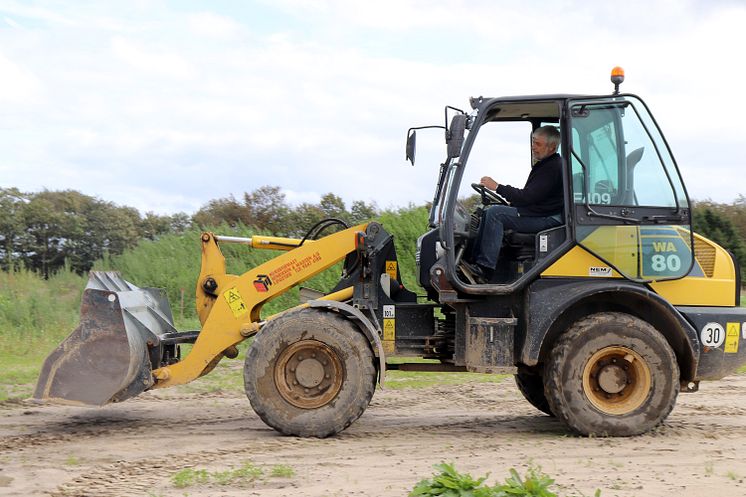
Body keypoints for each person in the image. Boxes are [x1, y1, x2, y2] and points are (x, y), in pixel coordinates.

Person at [465, 125, 564, 282]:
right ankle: (473, 261)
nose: (533, 147)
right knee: (489, 212)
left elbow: (528, 196)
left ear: (551, 147)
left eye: (538, 144)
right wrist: (514, 203)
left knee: (495, 214)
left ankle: (485, 269)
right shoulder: (546, 164)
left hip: (548, 218)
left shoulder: (552, 167)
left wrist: (498, 187)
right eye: (533, 142)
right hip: (540, 212)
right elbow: (535, 196)